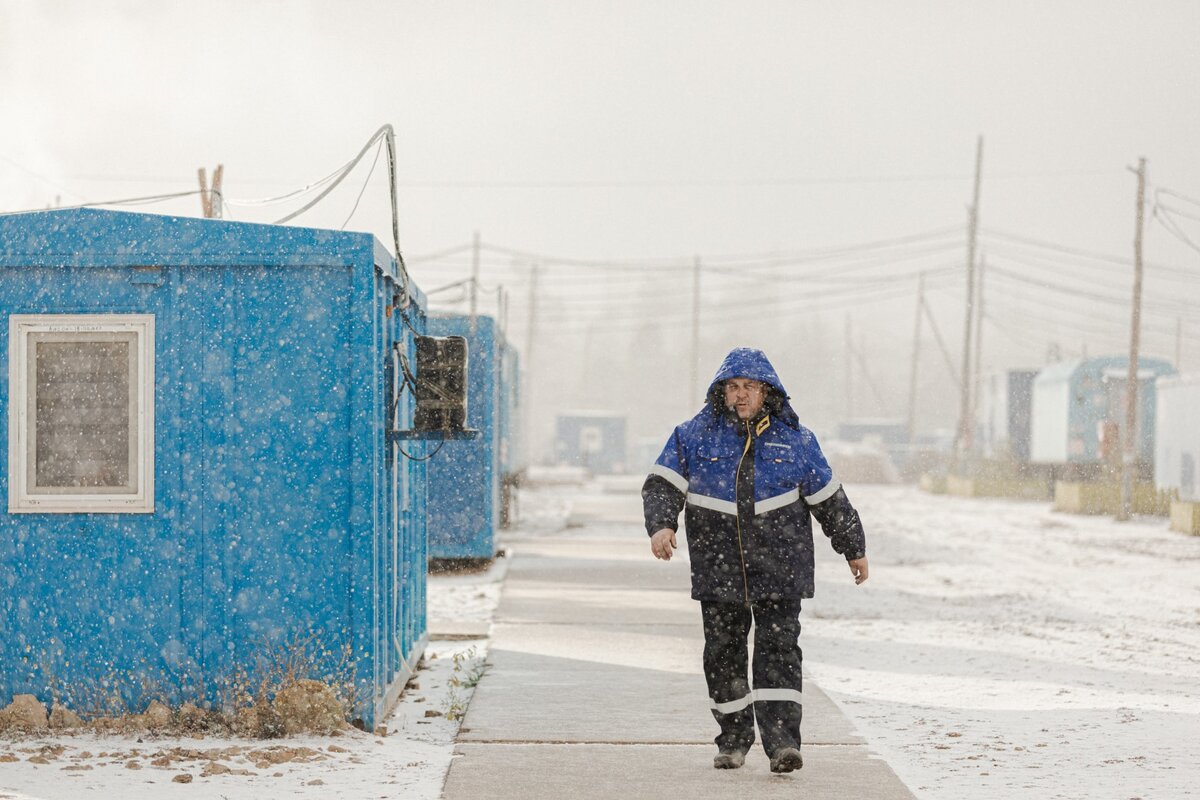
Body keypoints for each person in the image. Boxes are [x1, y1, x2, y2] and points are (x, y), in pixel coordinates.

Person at [641, 347, 868, 773]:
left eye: (749, 387)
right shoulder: (692, 435)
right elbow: (660, 485)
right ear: (721, 392)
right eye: (732, 387)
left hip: (781, 567)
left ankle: (782, 744)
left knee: (779, 652)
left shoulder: (797, 441)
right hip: (717, 566)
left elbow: (830, 500)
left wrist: (853, 547)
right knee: (723, 654)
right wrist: (661, 525)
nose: (740, 395)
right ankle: (733, 739)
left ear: (767, 392)